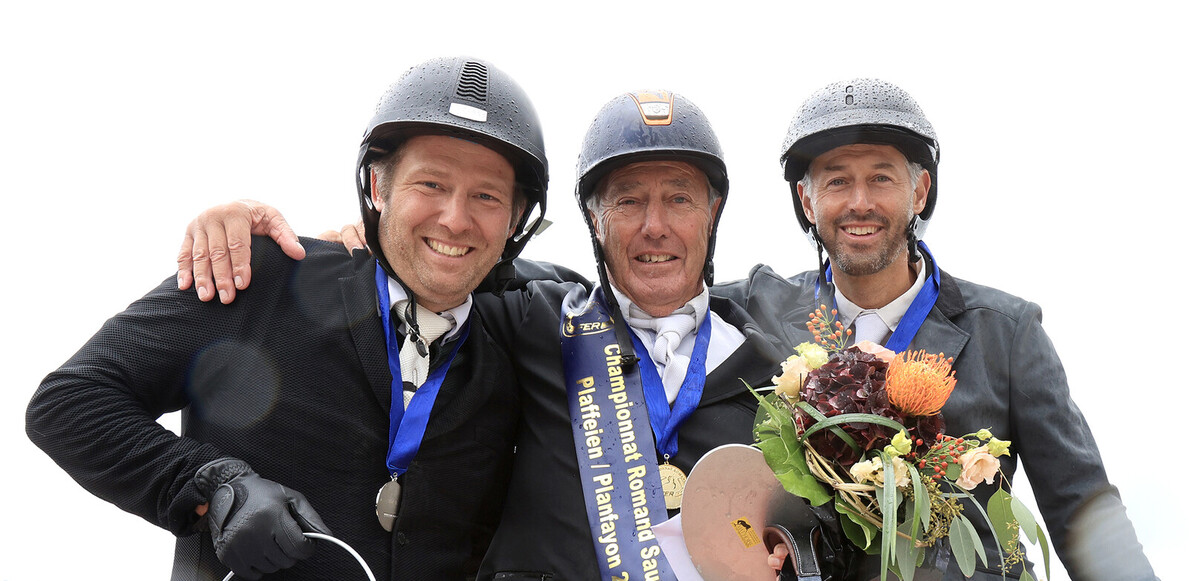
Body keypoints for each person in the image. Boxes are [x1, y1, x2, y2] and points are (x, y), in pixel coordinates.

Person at [172, 90, 790, 581]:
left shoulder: (777, 372)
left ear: (713, 214)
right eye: (626, 202)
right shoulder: (528, 316)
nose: (654, 226)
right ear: (595, 224)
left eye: (680, 199)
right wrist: (248, 227)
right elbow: (436, 253)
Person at [26, 56, 555, 581]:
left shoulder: (526, 332)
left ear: (516, 221)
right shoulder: (261, 274)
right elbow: (70, 401)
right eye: (431, 185)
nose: (455, 219)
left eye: (486, 197)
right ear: (377, 188)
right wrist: (212, 484)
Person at [713, 78, 1158, 580]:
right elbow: (653, 293)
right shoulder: (756, 310)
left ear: (920, 191)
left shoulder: (1009, 334)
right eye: (837, 181)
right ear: (807, 201)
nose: (860, 202)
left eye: (882, 178)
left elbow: (1085, 512)